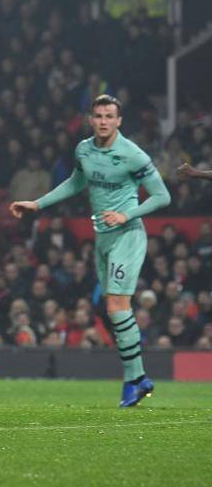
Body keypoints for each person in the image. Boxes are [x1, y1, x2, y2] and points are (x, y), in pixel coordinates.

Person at [9, 95, 170, 407]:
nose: (104, 121)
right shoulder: (84, 149)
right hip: (103, 238)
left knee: (116, 305)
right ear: (91, 119)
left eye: (110, 116)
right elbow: (75, 183)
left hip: (127, 235)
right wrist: (37, 204)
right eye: (98, 116)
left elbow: (162, 196)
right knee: (112, 308)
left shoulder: (132, 155)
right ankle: (137, 380)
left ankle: (134, 380)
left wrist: (127, 214)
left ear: (119, 121)